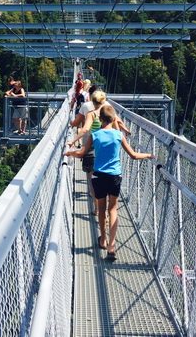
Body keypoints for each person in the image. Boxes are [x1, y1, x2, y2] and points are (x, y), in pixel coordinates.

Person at [65, 104, 154, 260]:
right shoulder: (119, 135)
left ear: (99, 119)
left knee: (101, 210)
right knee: (113, 210)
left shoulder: (95, 134)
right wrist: (148, 155)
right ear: (114, 119)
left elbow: (81, 153)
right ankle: (112, 246)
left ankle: (103, 240)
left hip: (98, 176)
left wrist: (70, 152)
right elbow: (133, 155)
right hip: (114, 176)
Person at [67, 90, 130, 215]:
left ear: (91, 99)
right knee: (107, 178)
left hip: (91, 147)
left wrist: (72, 141)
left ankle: (97, 208)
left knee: (93, 180)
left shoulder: (90, 112)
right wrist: (124, 131)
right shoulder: (109, 110)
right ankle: (107, 210)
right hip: (107, 149)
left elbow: (85, 129)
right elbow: (117, 123)